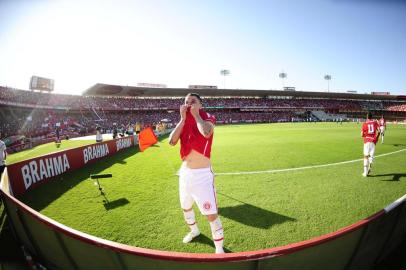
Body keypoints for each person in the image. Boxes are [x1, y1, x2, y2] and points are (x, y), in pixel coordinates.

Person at [168, 93, 224, 254]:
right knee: (186, 207)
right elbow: (171, 141)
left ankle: (219, 249)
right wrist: (183, 119)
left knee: (211, 215)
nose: (189, 104)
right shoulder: (183, 121)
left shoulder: (207, 117)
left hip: (202, 175)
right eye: (186, 102)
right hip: (185, 173)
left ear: (201, 105)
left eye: (193, 101)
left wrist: (196, 115)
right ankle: (194, 231)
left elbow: (206, 132)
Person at [361, 113, 380, 177]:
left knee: (365, 156)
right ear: (372, 117)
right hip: (373, 141)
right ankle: (370, 166)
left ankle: (365, 173)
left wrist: (364, 135)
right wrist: (376, 138)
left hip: (367, 141)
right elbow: (379, 131)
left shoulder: (364, 123)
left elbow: (362, 135)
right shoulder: (375, 122)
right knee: (371, 156)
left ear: (367, 117)